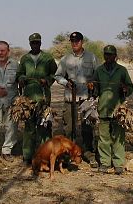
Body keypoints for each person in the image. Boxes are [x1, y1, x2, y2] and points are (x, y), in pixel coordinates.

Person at [54, 31, 99, 167]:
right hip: (70, 98)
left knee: (87, 128)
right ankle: (68, 154)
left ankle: (89, 154)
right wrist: (65, 82)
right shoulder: (65, 59)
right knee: (69, 127)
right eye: (73, 41)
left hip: (86, 99)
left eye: (77, 41)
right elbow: (58, 76)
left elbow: (98, 75)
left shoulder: (92, 57)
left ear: (82, 42)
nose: (75, 43)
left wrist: (93, 84)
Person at [92, 45, 133, 175]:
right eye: (106, 54)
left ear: (115, 56)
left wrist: (125, 89)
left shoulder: (122, 70)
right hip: (103, 108)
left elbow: (130, 87)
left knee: (118, 137)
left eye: (110, 55)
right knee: (103, 138)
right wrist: (91, 87)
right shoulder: (99, 71)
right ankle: (104, 163)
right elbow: (95, 91)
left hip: (118, 110)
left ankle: (118, 163)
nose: (108, 57)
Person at [17, 33, 58, 165]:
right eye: (33, 43)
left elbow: (55, 74)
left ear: (40, 43)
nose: (35, 45)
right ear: (30, 44)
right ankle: (27, 156)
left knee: (44, 126)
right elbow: (19, 74)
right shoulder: (24, 59)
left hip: (43, 96)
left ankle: (45, 155)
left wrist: (47, 80)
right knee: (29, 126)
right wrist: (21, 79)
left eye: (37, 42)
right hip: (28, 96)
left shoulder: (48, 58)